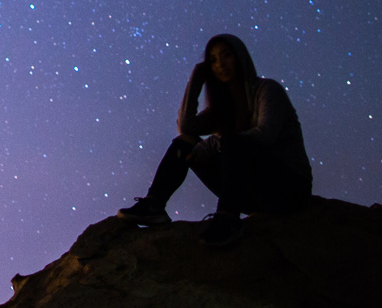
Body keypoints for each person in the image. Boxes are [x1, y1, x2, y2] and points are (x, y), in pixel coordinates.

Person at [117, 34, 311, 246]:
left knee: (232, 142)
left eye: (226, 56)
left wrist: (213, 143)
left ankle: (228, 218)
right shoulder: (223, 107)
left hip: (288, 186)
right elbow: (186, 127)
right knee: (184, 142)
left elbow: (266, 134)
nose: (221, 65)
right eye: (213, 60)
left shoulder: (267, 90)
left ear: (240, 57)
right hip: (252, 191)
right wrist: (196, 79)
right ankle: (154, 205)